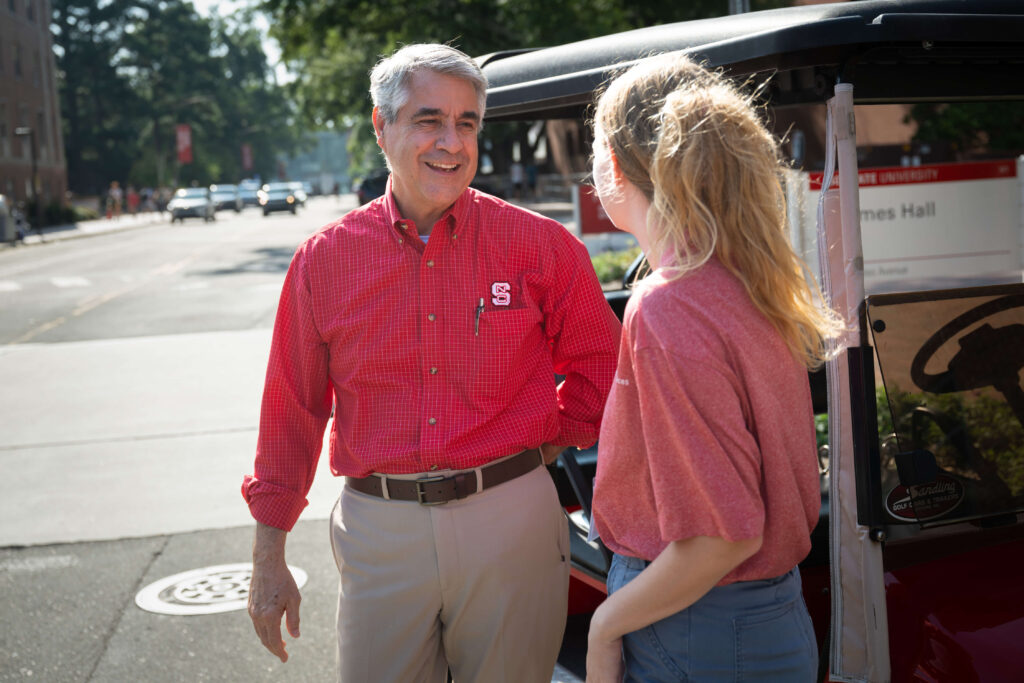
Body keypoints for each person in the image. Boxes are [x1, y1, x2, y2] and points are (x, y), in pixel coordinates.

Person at [243, 43, 621, 682]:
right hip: (378, 528)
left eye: (467, 122)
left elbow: (604, 374)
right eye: (428, 120)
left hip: (512, 517)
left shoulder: (542, 247)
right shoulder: (325, 260)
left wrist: (540, 446)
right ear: (380, 126)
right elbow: (292, 410)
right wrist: (267, 555)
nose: (452, 141)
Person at [584, 55, 843, 682]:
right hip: (764, 614)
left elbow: (721, 537)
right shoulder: (750, 278)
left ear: (615, 165)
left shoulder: (670, 304)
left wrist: (604, 626)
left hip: (695, 622)